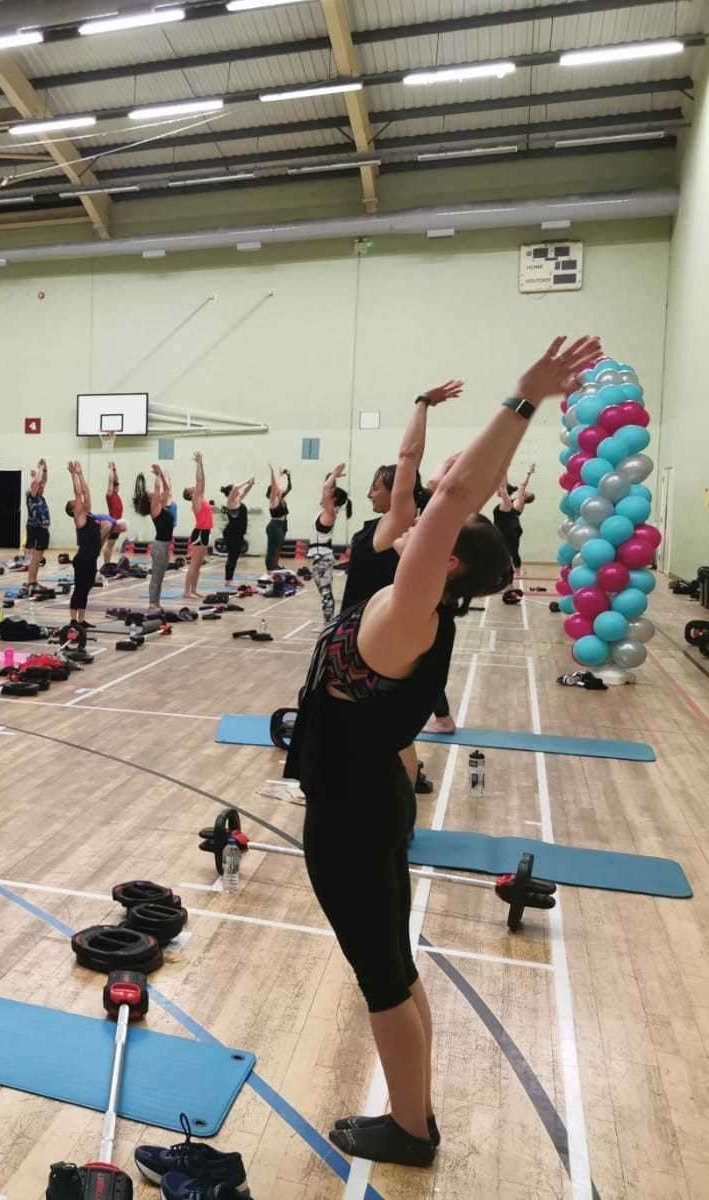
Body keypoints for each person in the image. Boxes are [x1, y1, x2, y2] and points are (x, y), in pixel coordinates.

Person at [288, 334, 598, 1168]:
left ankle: (412, 1130)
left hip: (350, 818)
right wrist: (432, 417)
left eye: (436, 519)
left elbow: (461, 487)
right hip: (377, 801)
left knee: (382, 977)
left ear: (448, 553)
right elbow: (451, 473)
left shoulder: (404, 616)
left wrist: (526, 397)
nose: (427, 504)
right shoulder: (424, 614)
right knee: (396, 960)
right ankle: (414, 1114)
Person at [341, 382, 463, 793]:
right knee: (390, 730)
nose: (370, 491)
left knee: (387, 732)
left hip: (371, 640)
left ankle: (401, 810)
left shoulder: (394, 525)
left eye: (377, 485)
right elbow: (420, 476)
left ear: (395, 494)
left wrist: (423, 403)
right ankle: (400, 796)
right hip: (376, 632)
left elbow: (408, 457)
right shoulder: (411, 524)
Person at [65, 461, 108, 629]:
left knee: (87, 588)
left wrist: (81, 474)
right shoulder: (80, 518)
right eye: (75, 503)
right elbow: (78, 492)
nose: (79, 501)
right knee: (80, 589)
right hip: (82, 559)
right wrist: (73, 475)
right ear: (73, 510)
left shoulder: (88, 514)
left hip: (91, 559)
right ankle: (73, 620)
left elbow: (86, 492)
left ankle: (82, 620)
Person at [308, 466, 350, 624]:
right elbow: (328, 488)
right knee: (324, 593)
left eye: (329, 495)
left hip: (322, 559)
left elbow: (326, 488)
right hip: (321, 558)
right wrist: (334, 478)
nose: (324, 495)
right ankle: (328, 622)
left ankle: (328, 624)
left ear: (332, 500)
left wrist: (334, 475)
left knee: (326, 594)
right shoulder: (328, 512)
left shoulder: (330, 513)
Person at [138, 464, 174, 615]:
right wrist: (158, 475)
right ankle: (152, 604)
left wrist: (163, 477)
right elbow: (158, 488)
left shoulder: (162, 506)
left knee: (160, 577)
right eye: (152, 494)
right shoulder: (155, 508)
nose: (155, 493)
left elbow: (166, 490)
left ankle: (157, 603)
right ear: (150, 499)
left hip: (165, 546)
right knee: (156, 577)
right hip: (159, 546)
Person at [178, 452, 213, 600]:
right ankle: (186, 591)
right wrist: (198, 463)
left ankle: (194, 590)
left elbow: (202, 481)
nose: (194, 486)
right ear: (190, 494)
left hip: (205, 532)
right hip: (199, 533)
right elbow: (199, 480)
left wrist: (201, 465)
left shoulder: (201, 497)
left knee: (199, 565)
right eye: (190, 488)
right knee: (193, 564)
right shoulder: (196, 500)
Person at [493, 464, 534, 572]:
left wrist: (529, 473)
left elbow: (520, 486)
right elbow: (504, 488)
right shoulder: (514, 501)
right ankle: (513, 570)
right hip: (509, 527)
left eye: (527, 493)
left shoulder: (520, 501)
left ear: (527, 497)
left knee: (512, 551)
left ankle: (516, 571)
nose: (525, 491)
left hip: (510, 529)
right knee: (509, 551)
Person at [219, 476, 256, 584]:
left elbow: (245, 491)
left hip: (239, 533)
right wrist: (246, 481)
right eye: (235, 491)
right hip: (231, 534)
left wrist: (251, 485)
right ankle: (228, 580)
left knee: (235, 556)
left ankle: (230, 579)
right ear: (231, 493)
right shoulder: (230, 502)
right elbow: (236, 487)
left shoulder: (238, 500)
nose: (238, 492)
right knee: (232, 556)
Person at [23, 459, 50, 594]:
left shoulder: (39, 496)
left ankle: (33, 580)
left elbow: (43, 480)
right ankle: (31, 582)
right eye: (40, 486)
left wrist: (45, 468)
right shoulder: (31, 495)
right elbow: (38, 482)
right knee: (35, 557)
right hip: (35, 528)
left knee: (39, 557)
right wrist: (39, 468)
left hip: (43, 529)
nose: (42, 487)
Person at [264, 465, 293, 572]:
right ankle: (269, 568)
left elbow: (289, 488)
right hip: (274, 526)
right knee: (272, 548)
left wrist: (288, 476)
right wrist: (272, 472)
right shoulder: (273, 500)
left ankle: (275, 565)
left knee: (278, 547)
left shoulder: (281, 498)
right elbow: (274, 484)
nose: (279, 488)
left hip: (283, 524)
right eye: (276, 488)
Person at [101, 462, 123, 570]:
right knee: (108, 546)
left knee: (111, 546)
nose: (118, 486)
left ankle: (107, 564)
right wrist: (110, 470)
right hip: (113, 524)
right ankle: (106, 565)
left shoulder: (116, 494)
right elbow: (110, 481)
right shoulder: (110, 494)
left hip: (118, 524)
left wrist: (115, 470)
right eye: (116, 485)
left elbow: (115, 481)